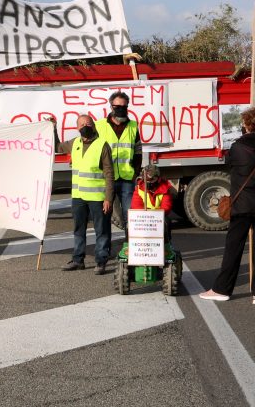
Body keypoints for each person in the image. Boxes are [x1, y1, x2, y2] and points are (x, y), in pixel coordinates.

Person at [200, 107, 255, 304]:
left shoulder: (237, 147)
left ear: (247, 125)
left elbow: (230, 163)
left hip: (242, 205)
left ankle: (222, 289)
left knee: (234, 248)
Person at [57, 113, 114, 274]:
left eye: (88, 124)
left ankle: (101, 262)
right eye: (82, 125)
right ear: (77, 128)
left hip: (97, 197)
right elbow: (57, 147)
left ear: (94, 126)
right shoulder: (74, 143)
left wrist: (108, 198)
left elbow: (109, 174)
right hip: (78, 197)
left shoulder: (102, 145)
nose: (85, 127)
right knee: (78, 230)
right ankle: (78, 260)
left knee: (101, 231)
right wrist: (53, 128)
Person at [95, 91, 141, 233]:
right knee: (104, 215)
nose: (121, 109)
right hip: (106, 179)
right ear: (111, 107)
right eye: (117, 106)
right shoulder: (99, 125)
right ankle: (104, 246)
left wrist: (136, 172)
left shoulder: (133, 126)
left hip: (127, 178)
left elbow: (138, 151)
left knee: (130, 215)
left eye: (124, 106)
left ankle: (131, 243)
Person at [131, 163, 173, 243]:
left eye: (151, 180)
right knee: (129, 225)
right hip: (142, 218)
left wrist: (153, 216)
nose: (148, 182)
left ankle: (167, 244)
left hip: (158, 217)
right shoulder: (139, 189)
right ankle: (130, 245)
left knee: (166, 222)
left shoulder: (165, 188)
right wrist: (147, 216)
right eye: (146, 180)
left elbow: (166, 206)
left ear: (158, 179)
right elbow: (136, 206)